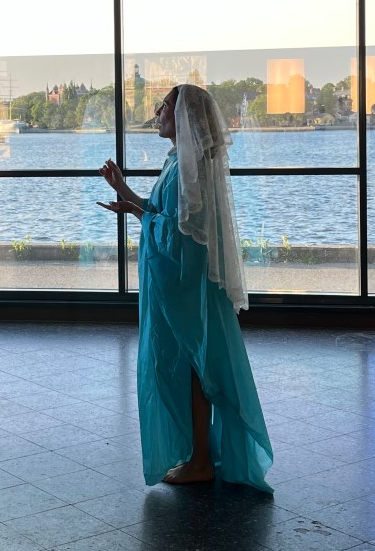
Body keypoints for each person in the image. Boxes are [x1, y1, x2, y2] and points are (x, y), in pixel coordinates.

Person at [98, 84, 273, 492]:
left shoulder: (186, 168)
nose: (158, 112)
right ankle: (197, 454)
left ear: (182, 117)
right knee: (190, 366)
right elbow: (163, 215)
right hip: (180, 283)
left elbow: (180, 235)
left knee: (196, 368)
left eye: (165, 106)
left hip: (186, 286)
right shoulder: (179, 162)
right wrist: (125, 193)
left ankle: (200, 460)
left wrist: (138, 211)